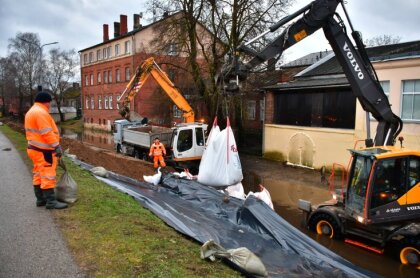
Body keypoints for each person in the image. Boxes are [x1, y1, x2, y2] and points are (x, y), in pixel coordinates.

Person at [24, 87, 67, 209]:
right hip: (44, 151)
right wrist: (56, 146)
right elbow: (47, 132)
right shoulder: (41, 113)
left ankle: (40, 199)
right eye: (49, 102)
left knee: (38, 173)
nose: (50, 105)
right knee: (48, 174)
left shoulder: (32, 111)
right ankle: (51, 202)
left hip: (34, 149)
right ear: (46, 101)